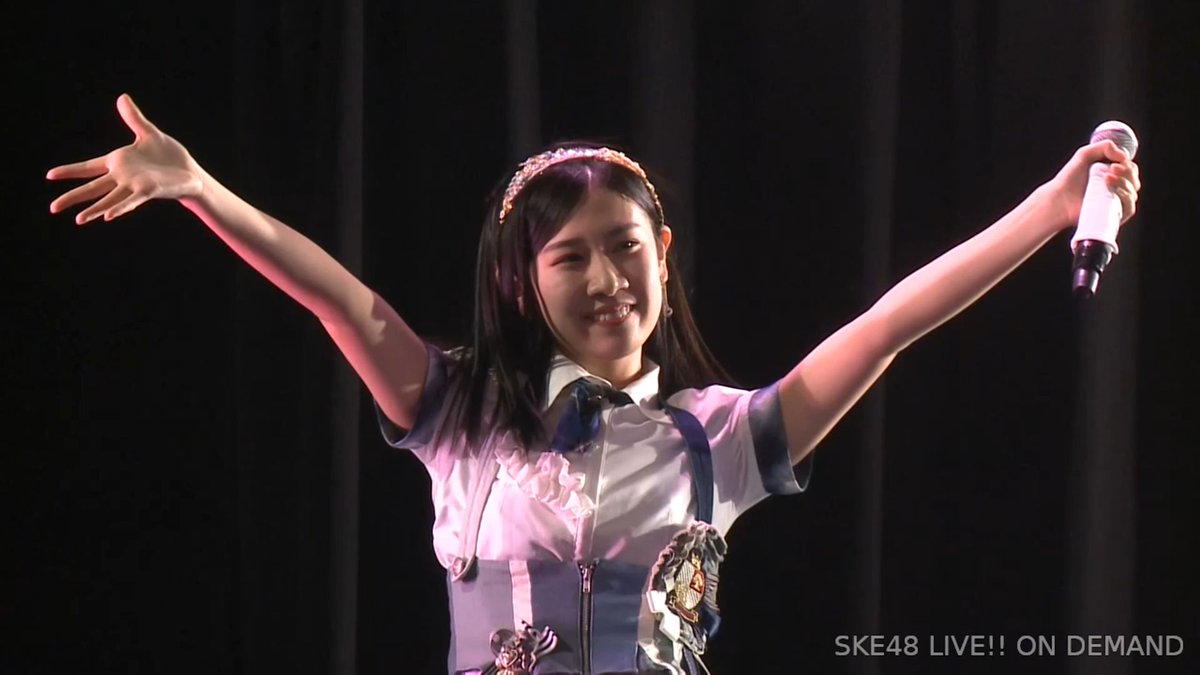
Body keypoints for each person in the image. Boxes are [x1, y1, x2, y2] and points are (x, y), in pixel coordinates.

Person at [48, 94, 1141, 675]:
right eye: (569, 257)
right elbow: (341, 301)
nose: (608, 279)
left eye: (625, 248)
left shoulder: (722, 439)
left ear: (662, 252)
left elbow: (889, 324)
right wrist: (203, 191)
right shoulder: (459, 413)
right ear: (523, 283)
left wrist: (1050, 211)